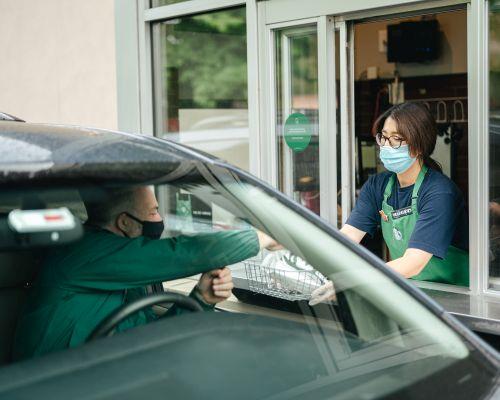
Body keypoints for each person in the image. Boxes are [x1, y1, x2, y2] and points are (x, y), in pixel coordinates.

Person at [13, 186, 278, 360]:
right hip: (52, 388)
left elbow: (147, 337)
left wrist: (201, 299)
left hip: (109, 377)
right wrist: (263, 236)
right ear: (125, 223)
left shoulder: (129, 278)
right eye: (153, 211)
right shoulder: (83, 253)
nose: (159, 218)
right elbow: (181, 253)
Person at [311, 102, 469, 305]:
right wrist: (304, 252)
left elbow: (413, 263)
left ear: (419, 146)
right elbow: (348, 236)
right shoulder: (378, 185)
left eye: (396, 139)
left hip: (456, 298)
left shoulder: (439, 193)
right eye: (384, 137)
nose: (386, 145)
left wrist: (355, 280)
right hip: (412, 291)